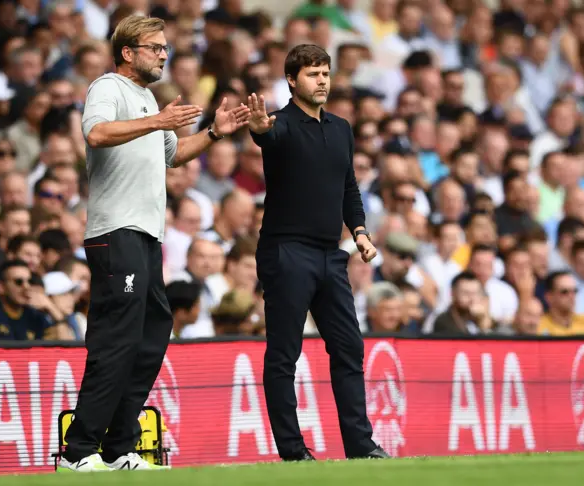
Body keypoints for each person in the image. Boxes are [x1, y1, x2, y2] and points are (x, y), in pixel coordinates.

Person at [58, 15, 250, 473]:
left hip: (146, 234)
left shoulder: (147, 98)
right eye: (155, 47)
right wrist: (158, 120)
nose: (164, 54)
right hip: (115, 231)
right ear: (128, 52)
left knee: (149, 337)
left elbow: (173, 154)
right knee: (116, 338)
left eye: (166, 48)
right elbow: (96, 133)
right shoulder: (108, 87)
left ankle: (120, 447)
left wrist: (215, 132)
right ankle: (78, 452)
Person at [247, 44, 388, 461]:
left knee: (349, 347)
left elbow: (348, 187)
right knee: (284, 354)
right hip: (286, 250)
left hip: (330, 254)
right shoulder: (282, 125)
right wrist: (258, 129)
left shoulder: (341, 128)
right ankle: (293, 452)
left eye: (325, 72)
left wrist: (359, 231)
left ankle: (360, 447)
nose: (322, 80)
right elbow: (267, 137)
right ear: (292, 80)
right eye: (312, 74)